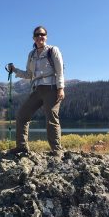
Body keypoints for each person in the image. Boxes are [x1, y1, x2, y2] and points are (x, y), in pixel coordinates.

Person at [8, 26, 65, 157]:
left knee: (51, 118)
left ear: (46, 36)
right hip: (36, 89)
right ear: (33, 38)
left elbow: (60, 71)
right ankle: (22, 147)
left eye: (42, 34)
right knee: (22, 115)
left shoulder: (53, 50)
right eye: (37, 35)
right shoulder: (31, 54)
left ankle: (56, 150)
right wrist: (15, 70)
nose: (40, 37)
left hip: (51, 88)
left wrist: (60, 88)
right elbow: (29, 74)